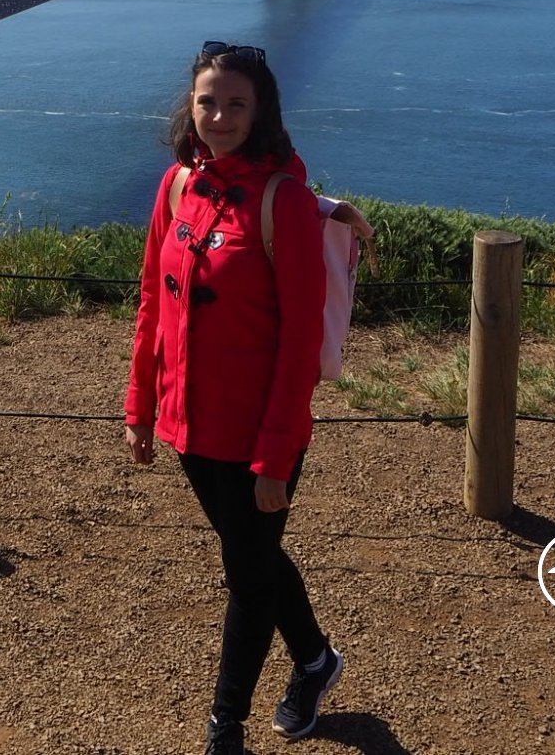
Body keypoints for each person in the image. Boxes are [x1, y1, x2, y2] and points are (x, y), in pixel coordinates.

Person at [124, 41, 369, 753]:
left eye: (236, 103)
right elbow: (152, 301)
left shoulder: (282, 200)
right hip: (188, 421)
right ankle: (317, 660)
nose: (220, 116)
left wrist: (274, 456)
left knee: (247, 573)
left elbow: (298, 340)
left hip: (257, 428)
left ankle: (224, 725)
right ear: (190, 106)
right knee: (251, 553)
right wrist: (141, 407)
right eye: (208, 102)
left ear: (261, 112)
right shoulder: (178, 185)